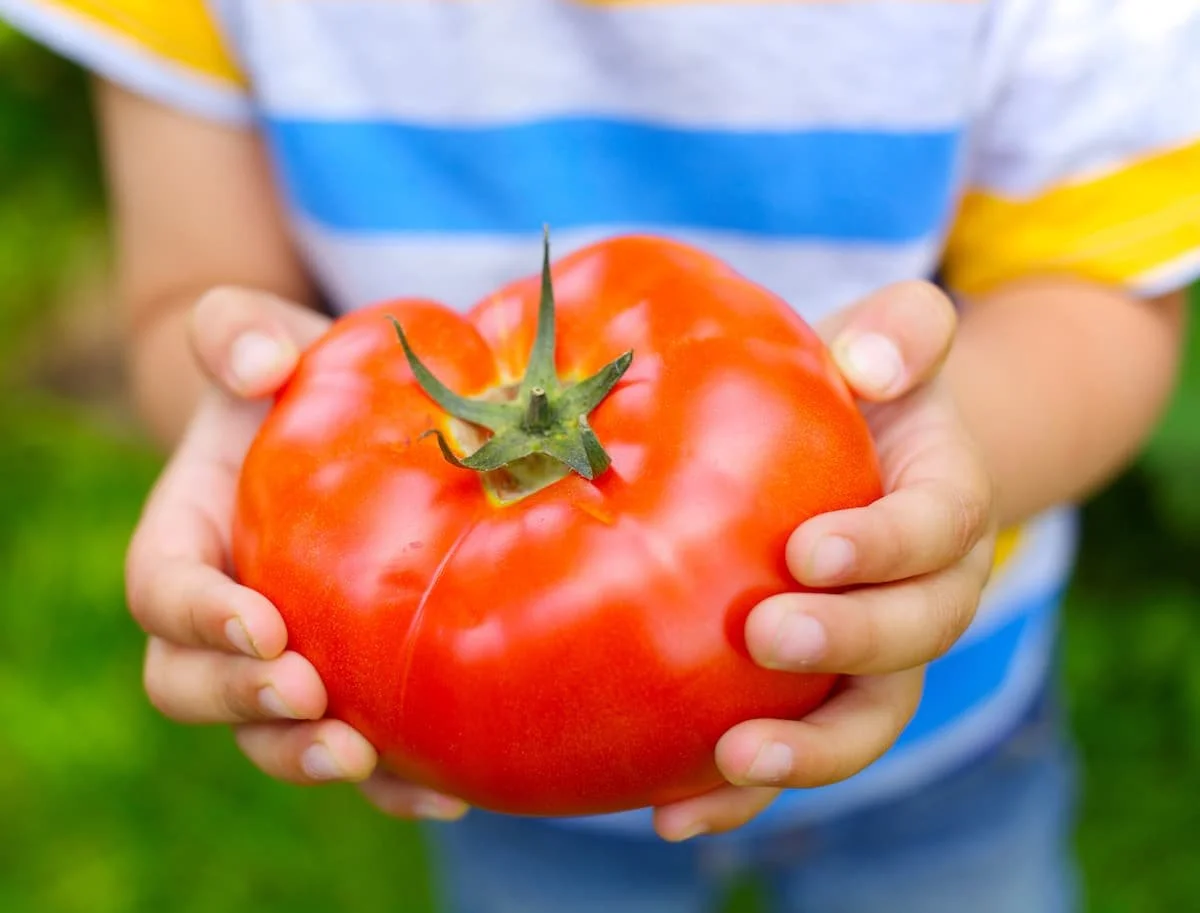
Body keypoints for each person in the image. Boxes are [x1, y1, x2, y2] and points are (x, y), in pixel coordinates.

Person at [3, 0, 1197, 910]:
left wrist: (922, 475)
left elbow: (1098, 288)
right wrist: (246, 429)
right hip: (488, 766)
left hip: (949, 725)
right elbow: (192, 300)